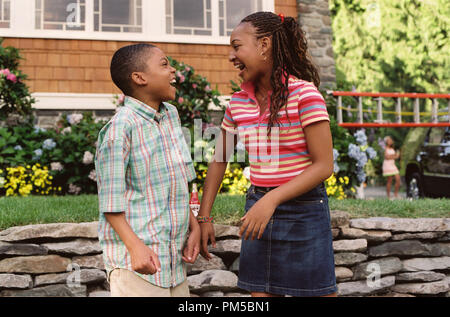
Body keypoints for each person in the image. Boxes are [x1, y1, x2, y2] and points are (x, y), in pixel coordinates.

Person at [198, 12, 337, 297]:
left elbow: (324, 165)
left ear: (264, 45)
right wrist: (204, 217)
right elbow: (220, 159)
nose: (230, 56)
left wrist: (271, 199)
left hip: (304, 211)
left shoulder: (305, 95)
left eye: (237, 46)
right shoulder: (238, 102)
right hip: (258, 207)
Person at [95, 44, 200, 297]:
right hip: (137, 265)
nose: (173, 69)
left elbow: (177, 181)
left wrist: (194, 225)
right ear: (139, 78)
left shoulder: (170, 116)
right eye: (164, 64)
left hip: (172, 263)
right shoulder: (120, 129)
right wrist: (135, 248)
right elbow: (110, 203)